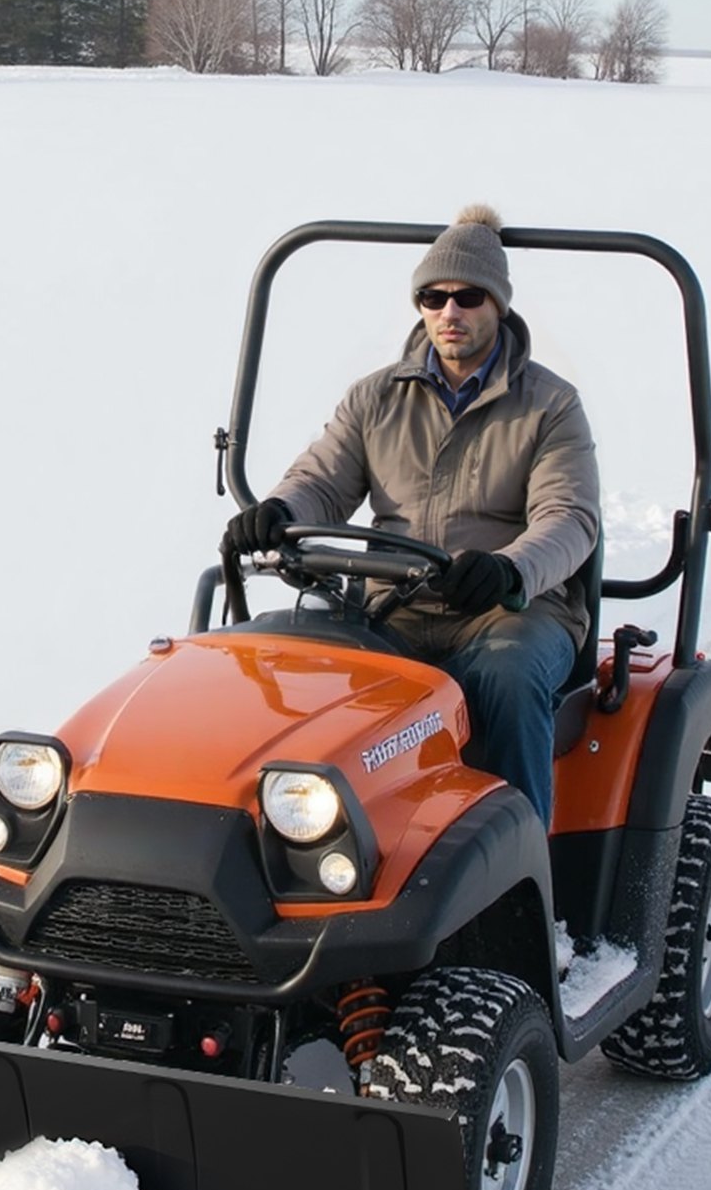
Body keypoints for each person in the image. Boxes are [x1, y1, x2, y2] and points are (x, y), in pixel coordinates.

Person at [222, 203, 600, 826]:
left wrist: (509, 571)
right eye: (433, 296)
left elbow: (569, 517)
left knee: (505, 679)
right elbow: (323, 479)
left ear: (498, 304)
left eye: (468, 296)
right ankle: (290, 843)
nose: (449, 312)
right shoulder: (376, 397)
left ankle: (519, 873)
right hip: (388, 610)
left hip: (508, 614)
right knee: (276, 661)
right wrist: (280, 511)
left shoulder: (550, 406)